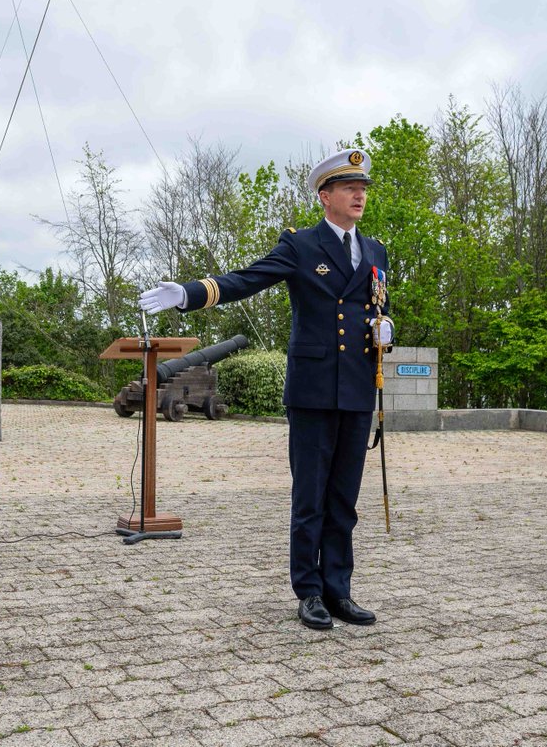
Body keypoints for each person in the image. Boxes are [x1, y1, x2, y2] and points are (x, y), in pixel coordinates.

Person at [139, 148, 393, 630]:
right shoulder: (301, 245)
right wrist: (191, 293)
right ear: (325, 196)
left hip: (358, 389)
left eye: (362, 188)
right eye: (348, 188)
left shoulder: (376, 249)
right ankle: (310, 592)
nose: (359, 194)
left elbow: (377, 308)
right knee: (311, 496)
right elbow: (247, 279)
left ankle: (340, 589)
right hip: (314, 389)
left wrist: (386, 329)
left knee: (344, 499)